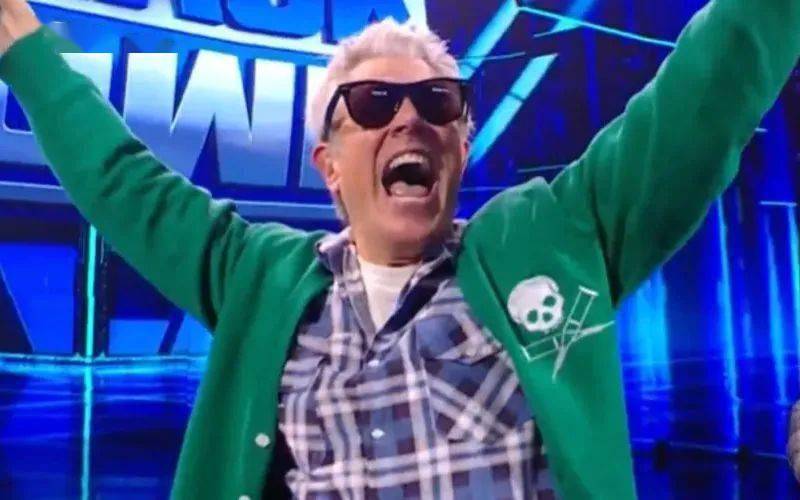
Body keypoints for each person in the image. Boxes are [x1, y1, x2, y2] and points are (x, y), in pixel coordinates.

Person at [0, 0, 798, 498]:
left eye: (436, 101)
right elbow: (123, 183)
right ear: (330, 166)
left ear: (461, 142)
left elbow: (706, 90)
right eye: (374, 103)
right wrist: (25, 49)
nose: (409, 118)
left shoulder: (554, 238)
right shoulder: (257, 277)